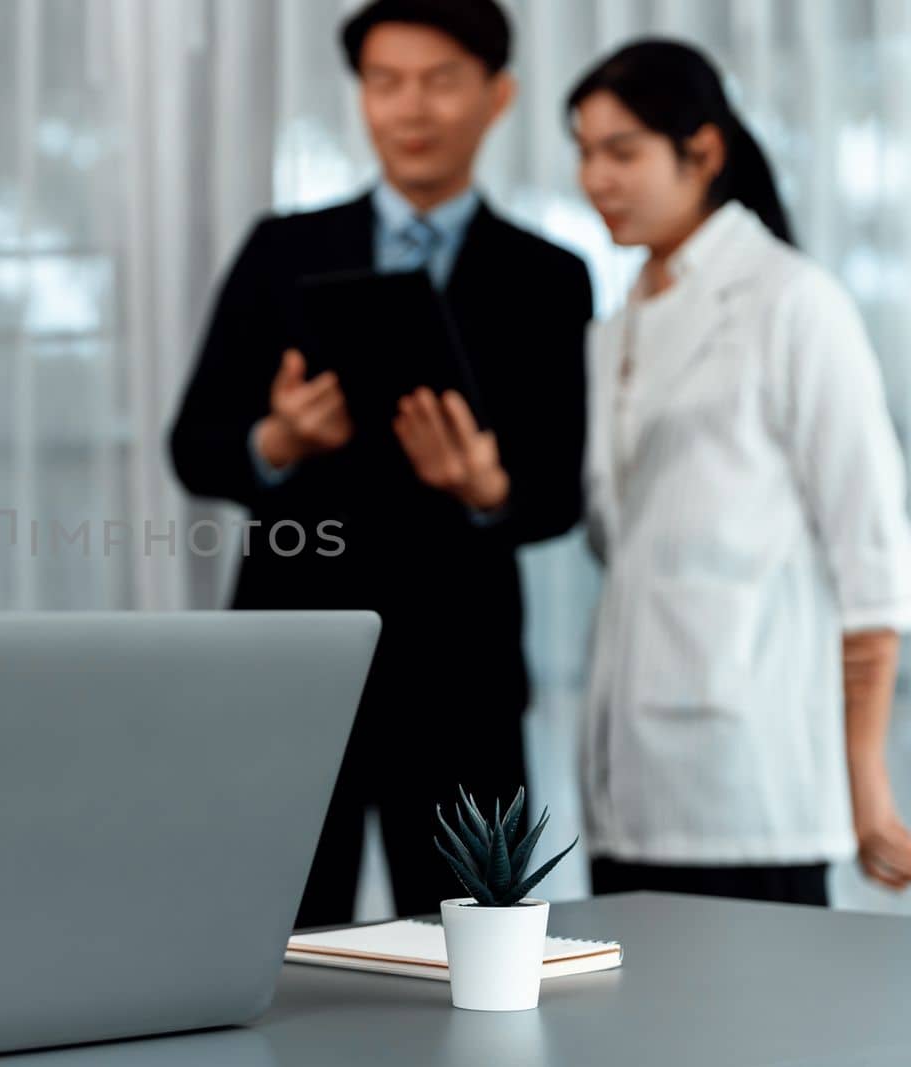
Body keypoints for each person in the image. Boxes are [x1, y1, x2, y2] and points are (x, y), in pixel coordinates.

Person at [168, 0, 592, 926]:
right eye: (387, 82)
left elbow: (561, 491)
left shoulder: (548, 277)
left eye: (442, 82)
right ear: (360, 97)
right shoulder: (283, 250)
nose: (413, 108)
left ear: (498, 96)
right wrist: (276, 441)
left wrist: (489, 490)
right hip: (294, 663)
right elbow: (194, 444)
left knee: (476, 956)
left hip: (462, 675)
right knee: (273, 943)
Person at [569, 39, 911, 905]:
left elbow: (871, 557)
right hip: (624, 778)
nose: (595, 178)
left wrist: (863, 776)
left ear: (705, 151)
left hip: (755, 775)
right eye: (583, 152)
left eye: (622, 151)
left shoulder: (793, 302)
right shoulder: (614, 329)